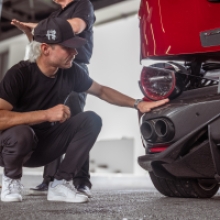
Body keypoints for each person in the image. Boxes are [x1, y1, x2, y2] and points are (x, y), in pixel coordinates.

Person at [0, 17, 169, 203]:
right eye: (67, 47)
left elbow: (102, 91)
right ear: (45, 49)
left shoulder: (71, 71)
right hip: (10, 148)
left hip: (43, 147)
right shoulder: (19, 74)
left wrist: (138, 104)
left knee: (91, 119)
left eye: (74, 46)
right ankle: (11, 179)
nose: (74, 52)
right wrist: (46, 114)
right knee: (21, 133)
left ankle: (60, 183)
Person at [11, 0, 96, 197]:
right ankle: (49, 180)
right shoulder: (54, 17)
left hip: (73, 68)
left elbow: (75, 26)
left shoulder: (82, 5)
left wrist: (40, 26)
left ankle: (81, 181)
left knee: (75, 123)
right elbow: (39, 41)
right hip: (54, 70)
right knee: (50, 122)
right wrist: (29, 30)